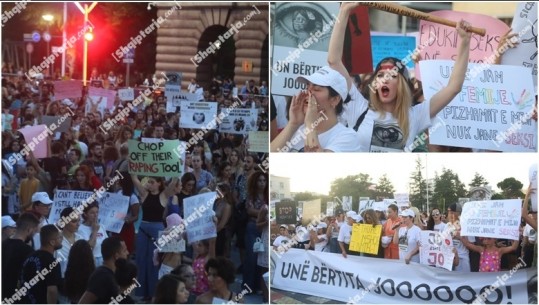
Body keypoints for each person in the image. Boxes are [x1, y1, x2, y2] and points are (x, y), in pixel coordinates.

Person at [328, 3, 472, 152]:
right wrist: (344, 12)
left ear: (402, 84)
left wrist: (465, 42)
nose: (384, 79)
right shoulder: (358, 108)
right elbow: (334, 60)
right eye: (380, 75)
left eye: (392, 75)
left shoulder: (416, 116)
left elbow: (453, 88)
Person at [270, 66, 362, 152]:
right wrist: (293, 124)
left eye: (316, 89)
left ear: (335, 100)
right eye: (307, 87)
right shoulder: (298, 130)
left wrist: (310, 125)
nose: (308, 93)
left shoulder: (348, 137)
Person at [131, 174, 177, 300]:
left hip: (157, 229)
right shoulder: (144, 194)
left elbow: (173, 182)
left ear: (159, 183)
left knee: (154, 261)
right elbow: (134, 178)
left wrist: (177, 172)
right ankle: (142, 292)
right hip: (143, 229)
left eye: (152, 182)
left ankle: (153, 293)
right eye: (149, 182)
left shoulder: (163, 195)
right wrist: (132, 166)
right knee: (141, 260)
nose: (149, 184)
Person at [78, 236, 129, 304]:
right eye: (124, 250)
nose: (127, 253)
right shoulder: (102, 276)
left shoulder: (114, 274)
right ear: (116, 256)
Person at [20, 224, 62, 304]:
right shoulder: (52, 262)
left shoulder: (29, 257)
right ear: (52, 242)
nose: (61, 240)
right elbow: (52, 290)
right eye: (59, 237)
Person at [2, 213, 40, 300]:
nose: (34, 234)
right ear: (29, 230)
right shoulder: (28, 251)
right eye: (34, 231)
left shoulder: (3, 245)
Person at [154, 213, 183, 280]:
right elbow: (177, 251)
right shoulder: (170, 236)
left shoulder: (174, 235)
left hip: (172, 269)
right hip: (168, 270)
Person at [78, 203, 108, 267]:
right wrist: (94, 231)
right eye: (92, 213)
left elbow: (107, 243)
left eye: (97, 212)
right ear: (85, 214)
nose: (95, 215)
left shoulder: (101, 226)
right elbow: (88, 247)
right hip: (91, 260)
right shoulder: (80, 229)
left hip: (103, 259)